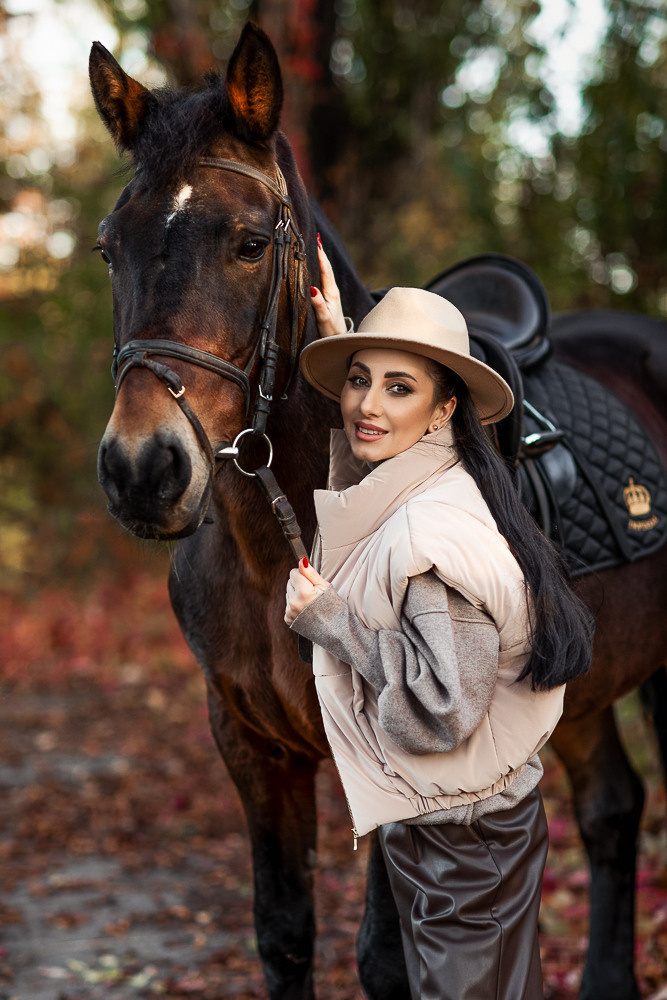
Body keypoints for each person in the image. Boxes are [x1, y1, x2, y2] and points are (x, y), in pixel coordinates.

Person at [285, 246, 592, 1000]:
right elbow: (373, 505)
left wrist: (331, 623)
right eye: (358, 382)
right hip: (460, 820)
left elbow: (444, 709)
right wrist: (348, 334)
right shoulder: (441, 477)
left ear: (445, 407)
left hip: (463, 838)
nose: (366, 406)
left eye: (398, 388)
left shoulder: (431, 542)